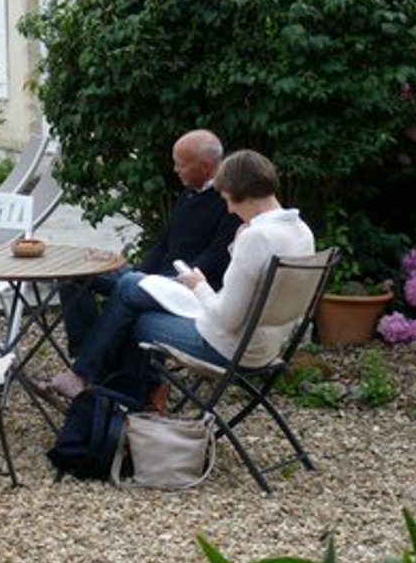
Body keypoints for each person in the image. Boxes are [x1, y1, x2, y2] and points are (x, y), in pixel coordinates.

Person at [46, 149, 314, 401]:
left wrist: (198, 285)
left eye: (228, 200)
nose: (230, 210)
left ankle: (113, 397)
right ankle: (106, 390)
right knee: (130, 286)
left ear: (238, 191)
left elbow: (226, 319)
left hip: (230, 348)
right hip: (265, 346)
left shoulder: (257, 237)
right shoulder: (300, 231)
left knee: (134, 314)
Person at [63, 129, 240, 356]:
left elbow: (215, 260)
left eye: (181, 164)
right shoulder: (189, 194)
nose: (175, 170)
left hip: (186, 290)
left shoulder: (229, 202)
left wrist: (158, 281)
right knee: (75, 275)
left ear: (205, 166)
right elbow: (163, 244)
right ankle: (85, 352)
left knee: (130, 290)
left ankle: (91, 366)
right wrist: (139, 273)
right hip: (154, 281)